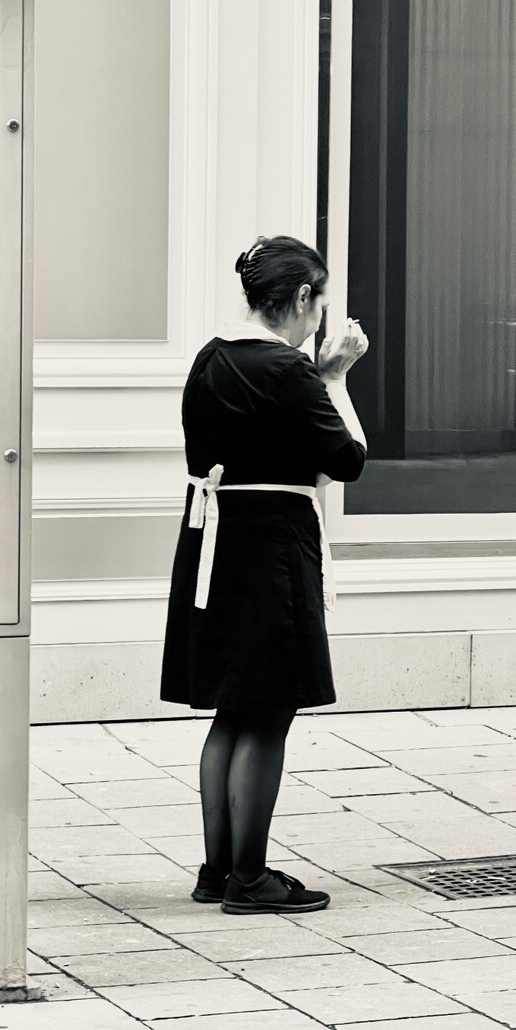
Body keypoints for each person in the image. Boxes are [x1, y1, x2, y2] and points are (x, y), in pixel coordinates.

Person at [161, 235, 369, 915]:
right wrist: (335, 375)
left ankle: (219, 869)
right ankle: (251, 878)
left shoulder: (212, 358)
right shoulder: (288, 370)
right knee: (269, 712)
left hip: (213, 543)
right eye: (319, 303)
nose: (320, 319)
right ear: (303, 297)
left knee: (232, 711)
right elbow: (347, 459)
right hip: (270, 546)